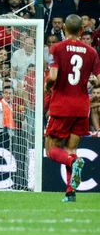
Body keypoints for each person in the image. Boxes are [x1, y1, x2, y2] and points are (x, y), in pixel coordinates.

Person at [45, 14, 100, 202]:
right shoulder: (92, 52)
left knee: (51, 148)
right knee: (71, 148)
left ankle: (73, 162)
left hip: (62, 105)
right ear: (81, 30)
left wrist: (47, 88)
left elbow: (52, 76)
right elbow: (98, 79)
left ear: (65, 29)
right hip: (81, 106)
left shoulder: (57, 47)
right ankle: (70, 192)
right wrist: (92, 80)